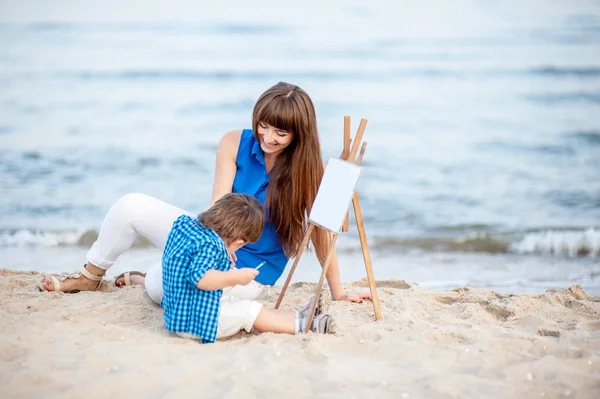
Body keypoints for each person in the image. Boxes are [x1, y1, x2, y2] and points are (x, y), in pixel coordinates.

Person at [39, 81, 370, 306]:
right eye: (263, 126)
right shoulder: (234, 142)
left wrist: (338, 293)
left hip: (252, 269)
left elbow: (323, 235)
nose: (267, 138)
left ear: (299, 135)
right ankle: (90, 277)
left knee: (158, 285)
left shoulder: (312, 172)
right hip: (212, 236)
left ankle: (142, 278)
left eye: (280, 133)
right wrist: (212, 248)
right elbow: (218, 205)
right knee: (130, 206)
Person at [160, 193, 333, 343]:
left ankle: (298, 316)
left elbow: (189, 257)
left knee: (239, 304)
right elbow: (201, 278)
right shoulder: (210, 246)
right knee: (248, 311)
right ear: (239, 242)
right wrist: (237, 277)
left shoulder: (187, 224)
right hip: (193, 322)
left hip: (179, 307)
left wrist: (224, 253)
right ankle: (303, 326)